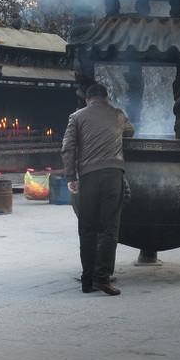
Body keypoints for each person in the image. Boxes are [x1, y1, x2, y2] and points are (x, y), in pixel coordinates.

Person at [61, 82, 134, 297]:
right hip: (113, 175)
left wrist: (70, 177)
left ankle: (87, 281)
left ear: (87, 99)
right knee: (109, 229)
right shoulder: (118, 115)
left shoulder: (76, 117)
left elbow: (67, 148)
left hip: (88, 177)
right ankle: (103, 279)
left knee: (87, 228)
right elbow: (130, 131)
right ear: (106, 97)